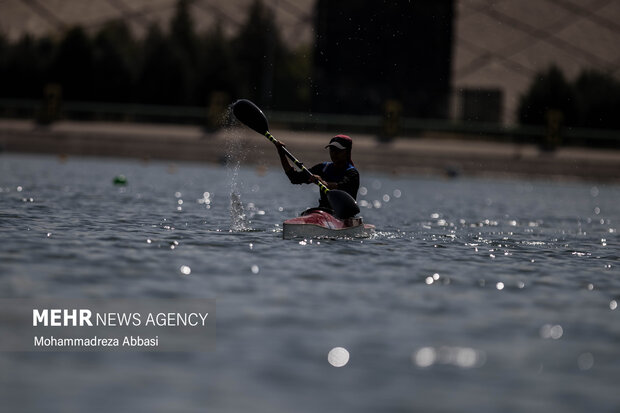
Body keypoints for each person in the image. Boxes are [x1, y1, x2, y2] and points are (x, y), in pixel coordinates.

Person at [274, 134, 359, 214]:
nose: (334, 153)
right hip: (324, 212)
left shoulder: (352, 173)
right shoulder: (323, 168)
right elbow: (294, 178)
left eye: (338, 150)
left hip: (345, 214)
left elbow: (341, 186)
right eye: (332, 149)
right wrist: (282, 154)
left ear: (347, 152)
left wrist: (323, 182)